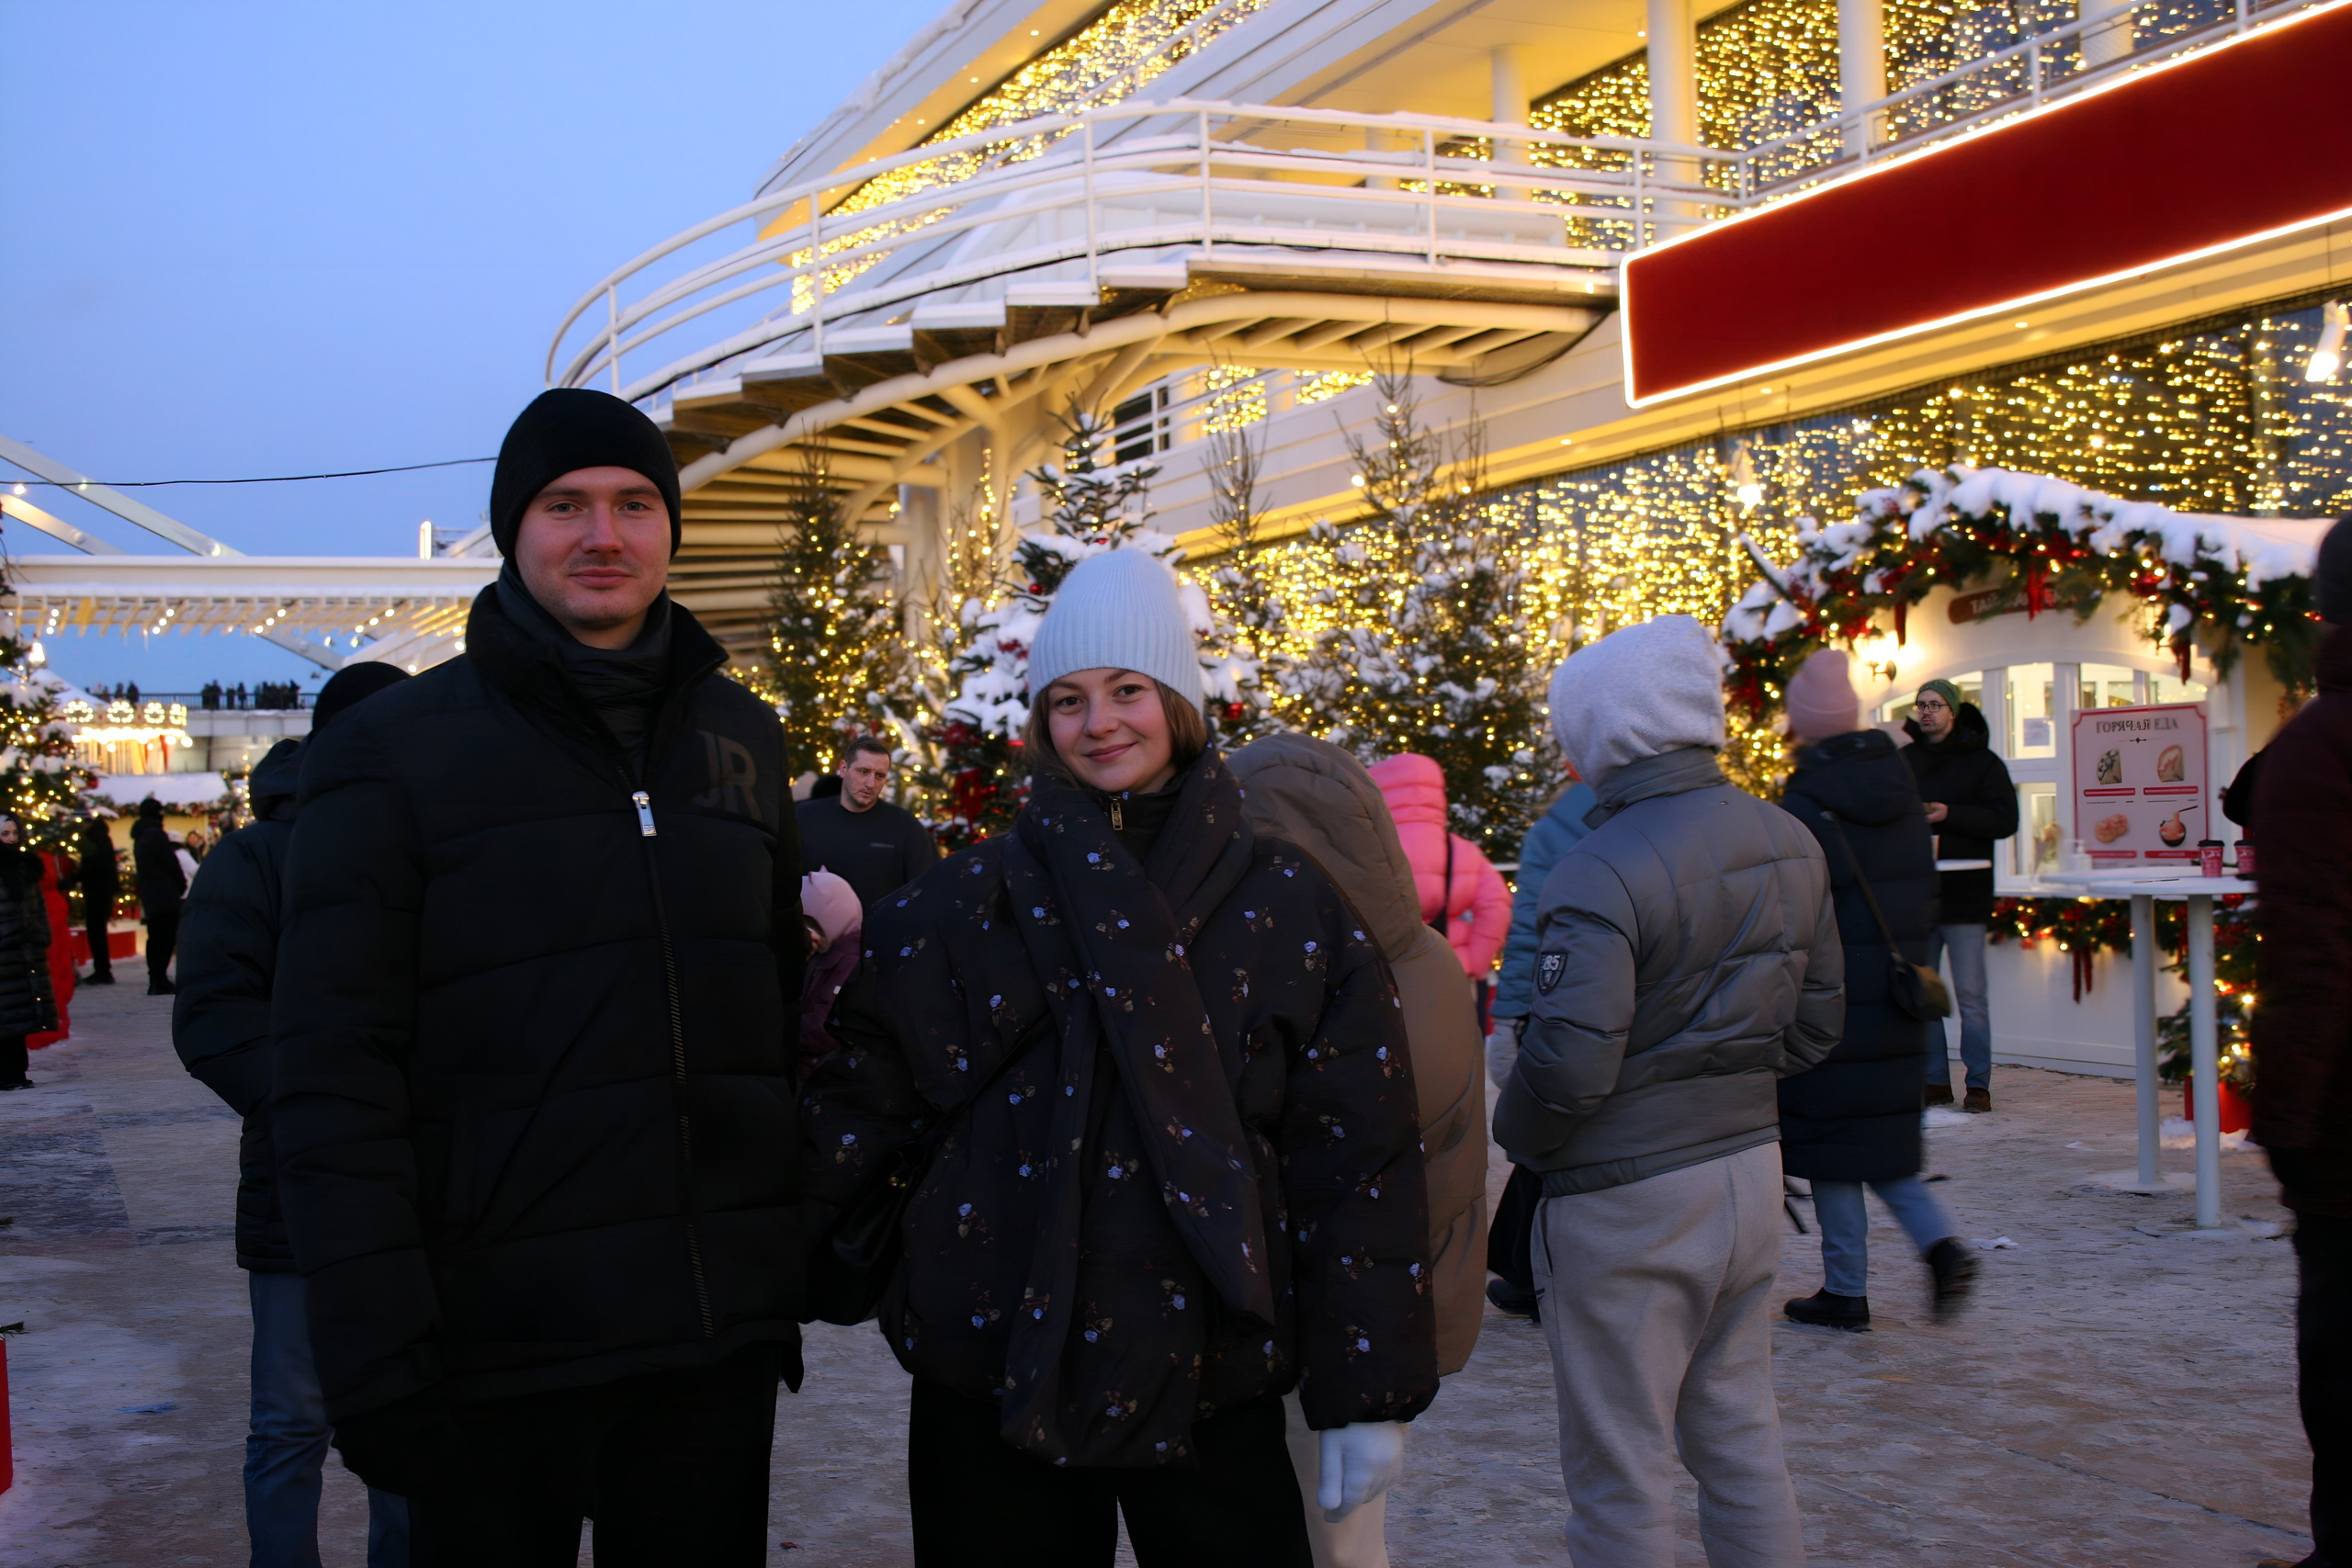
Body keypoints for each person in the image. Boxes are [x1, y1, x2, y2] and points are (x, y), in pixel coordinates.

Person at [802, 548, 1437, 1568]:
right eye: (1067, 699)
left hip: (1210, 1367)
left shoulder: (1284, 902)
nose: (1099, 723)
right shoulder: (960, 906)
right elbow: (865, 1105)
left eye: (1127, 690)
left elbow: (1355, 1157)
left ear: (1177, 700)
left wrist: (1369, 1390)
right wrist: (789, 1272)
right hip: (994, 1360)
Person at [269, 388, 808, 1566]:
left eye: (632, 504)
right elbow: (331, 1066)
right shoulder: (390, 752)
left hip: (704, 1342)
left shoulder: (742, 740)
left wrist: (785, 1258)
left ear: (670, 527)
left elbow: (767, 1019)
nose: (602, 535)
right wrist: (375, 1351)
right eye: (565, 505)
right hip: (492, 1351)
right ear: (515, 529)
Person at [1493, 615, 1843, 1568]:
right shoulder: (1786, 839)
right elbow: (1814, 1028)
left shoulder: (1596, 867)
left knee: (1621, 1463)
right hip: (1748, 1174)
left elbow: (1566, 1068)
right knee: (1738, 1434)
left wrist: (1515, 1132)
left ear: (1601, 734)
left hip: (1623, 1198)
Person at [174, 663, 415, 1568]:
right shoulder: (260, 855)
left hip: (424, 1193)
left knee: (415, 1418)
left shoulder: (437, 840)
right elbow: (211, 1017)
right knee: (290, 1423)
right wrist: (325, 1102)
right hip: (301, 1191)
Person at [1228, 732, 1487, 1568]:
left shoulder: (1346, 992)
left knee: (1325, 1535)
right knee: (1342, 1532)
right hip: (1388, 1324)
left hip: (1340, 1332)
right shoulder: (1425, 960)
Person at [1775, 650, 1977, 1332]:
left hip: (1828, 997)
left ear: (1806, 725)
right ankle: (1940, 1245)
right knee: (1881, 1139)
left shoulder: (1804, 802)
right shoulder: (1899, 788)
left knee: (1832, 1144)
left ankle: (1846, 1288)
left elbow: (1792, 907)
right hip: (1897, 993)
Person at [2249, 515, 2352, 1568]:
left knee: (2340, 1364)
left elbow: (2311, 963)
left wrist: (2284, 1125)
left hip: (2347, 1140)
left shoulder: (2320, 750)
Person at [1482, 765, 1600, 1323]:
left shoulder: (1558, 827)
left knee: (1548, 1141)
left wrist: (1507, 1015)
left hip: (1570, 1003)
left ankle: (1531, 1271)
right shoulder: (1697, 818)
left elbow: (1529, 929)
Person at [1900, 677, 2017, 1112]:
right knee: (1925, 991)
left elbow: (2005, 820)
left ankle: (1979, 1083)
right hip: (1918, 896)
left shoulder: (1982, 762)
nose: (1926, 712)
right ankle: (1933, 1080)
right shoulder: (1904, 761)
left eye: (1935, 705)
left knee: (1971, 994)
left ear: (1953, 711)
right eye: (1920, 705)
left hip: (1965, 896)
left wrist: (1952, 815)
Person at [1365, 755, 1510, 988]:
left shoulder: (1367, 850)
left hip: (1389, 977)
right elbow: (1496, 907)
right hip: (1453, 971)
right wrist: (1473, 962)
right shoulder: (1462, 850)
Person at [794, 733, 937, 908]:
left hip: (881, 933)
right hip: (809, 931)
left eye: (879, 776)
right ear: (844, 769)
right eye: (863, 771)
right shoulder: (804, 817)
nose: (871, 783)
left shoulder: (906, 827)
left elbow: (925, 894)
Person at [0, 816, 60, 1091]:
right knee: (6, 1016)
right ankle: (7, 1075)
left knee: (20, 1017)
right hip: (6, 953)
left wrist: (40, 937)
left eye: (14, 832)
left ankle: (16, 1073)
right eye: (4, 834)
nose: (12, 839)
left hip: (24, 954)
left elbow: (38, 908)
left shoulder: (26, 866)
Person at [797, 868, 863, 1077]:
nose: (807, 935)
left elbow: (827, 1030)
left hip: (826, 1076)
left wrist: (777, 1025)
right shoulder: (825, 954)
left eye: (811, 925)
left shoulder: (849, 962)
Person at [130, 796, 187, 996]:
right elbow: (170, 862)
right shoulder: (155, 835)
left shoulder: (141, 835)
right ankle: (159, 979)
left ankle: (156, 977)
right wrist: (180, 882)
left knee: (156, 937)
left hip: (151, 894)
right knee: (164, 937)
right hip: (165, 893)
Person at [74, 813, 119, 985]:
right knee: (98, 930)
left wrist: (75, 876)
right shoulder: (102, 838)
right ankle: (102, 969)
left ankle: (102, 970)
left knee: (96, 931)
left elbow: (93, 866)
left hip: (96, 890)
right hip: (102, 890)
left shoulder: (94, 840)